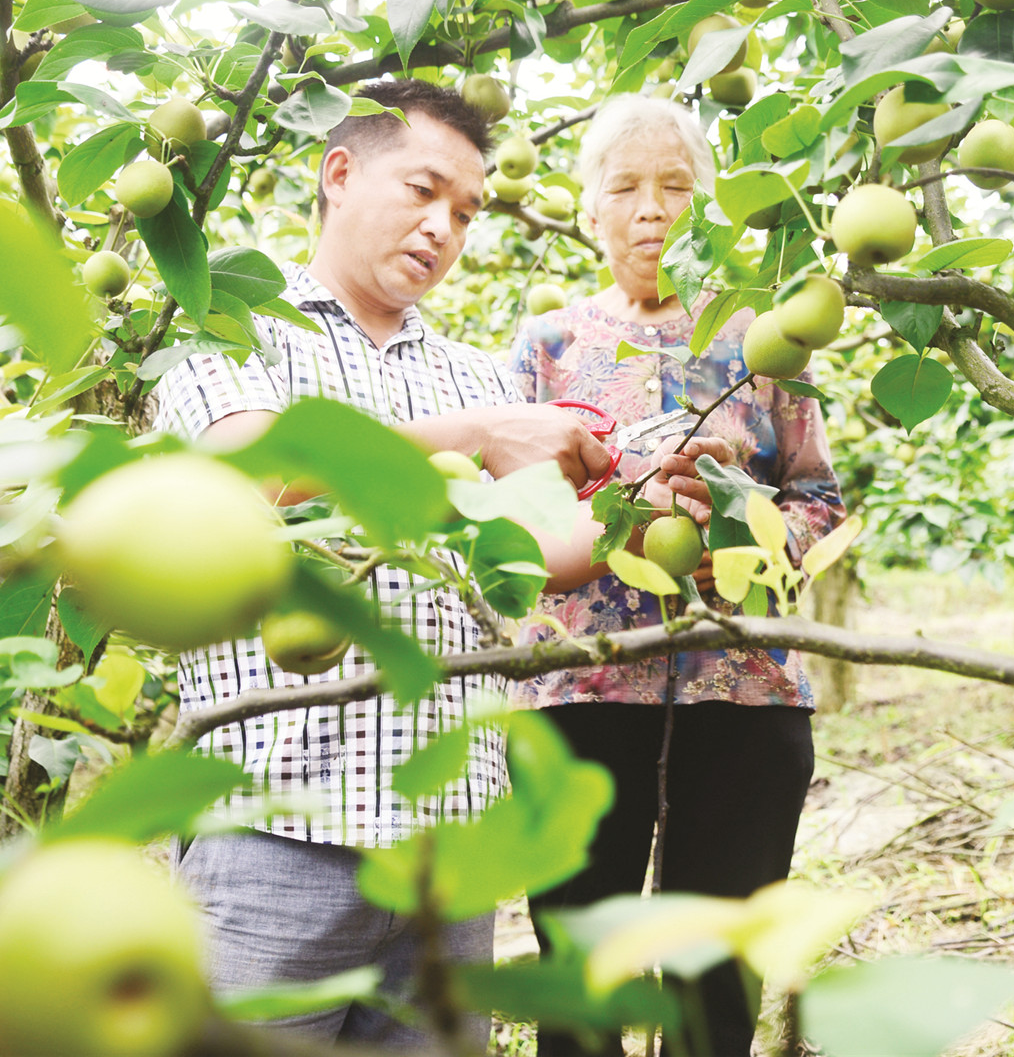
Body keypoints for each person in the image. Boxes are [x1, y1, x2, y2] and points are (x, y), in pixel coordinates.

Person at [152, 79, 645, 1049]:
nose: (443, 229)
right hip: (273, 838)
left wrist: (642, 514)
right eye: (422, 191)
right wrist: (477, 434)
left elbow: (536, 556)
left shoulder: (473, 371)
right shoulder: (236, 325)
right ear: (339, 173)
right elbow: (253, 468)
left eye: (464, 212)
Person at [507, 96, 845, 1057]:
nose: (651, 210)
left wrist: (742, 517)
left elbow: (821, 505)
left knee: (714, 996)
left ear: (708, 209)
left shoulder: (765, 342)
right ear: (590, 213)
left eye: (676, 188)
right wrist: (608, 514)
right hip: (582, 688)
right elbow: (508, 527)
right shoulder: (547, 345)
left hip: (741, 690)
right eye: (625, 188)